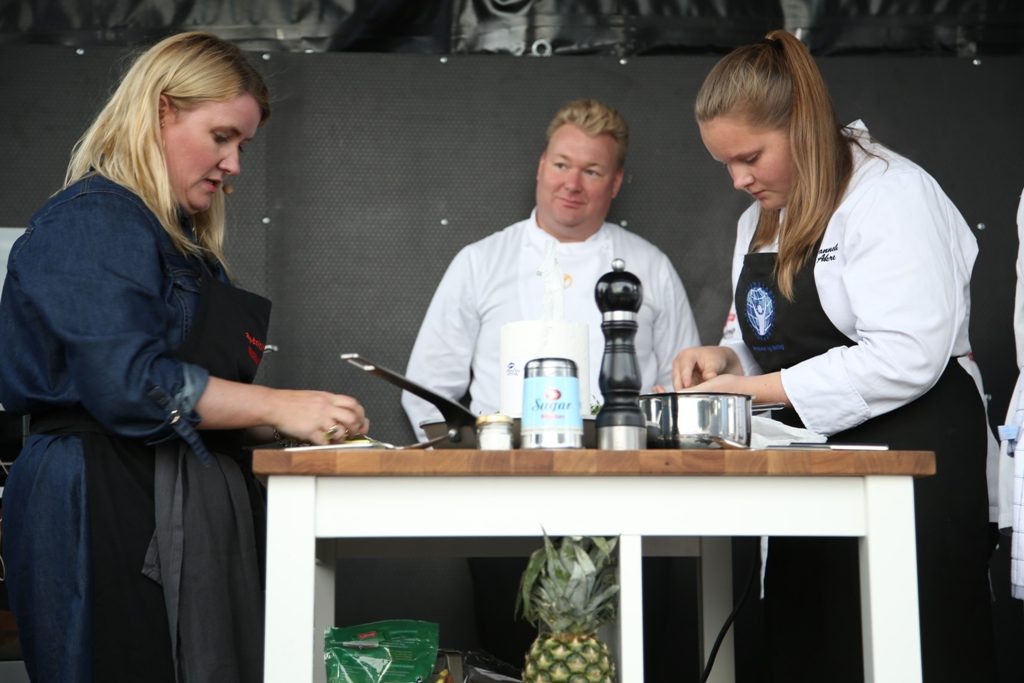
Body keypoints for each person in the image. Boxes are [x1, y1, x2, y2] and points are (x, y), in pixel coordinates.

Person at [0, 32, 368, 682]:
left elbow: (191, 399)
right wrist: (283, 403)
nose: (234, 165)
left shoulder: (180, 243)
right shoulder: (93, 221)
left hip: (157, 495)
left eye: (242, 146)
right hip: (100, 503)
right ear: (163, 110)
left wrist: (286, 425)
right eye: (222, 136)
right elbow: (132, 384)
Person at [673, 30, 994, 682]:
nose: (739, 179)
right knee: (813, 643)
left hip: (919, 455)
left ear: (804, 125)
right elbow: (757, 336)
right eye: (725, 164)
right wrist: (727, 360)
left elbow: (906, 354)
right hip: (815, 460)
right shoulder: (758, 219)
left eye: (751, 156)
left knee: (913, 648)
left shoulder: (890, 194)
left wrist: (752, 393)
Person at [402, 98, 700, 436]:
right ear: (541, 166)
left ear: (615, 183)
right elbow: (426, 393)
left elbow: (682, 390)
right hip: (500, 472)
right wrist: (464, 468)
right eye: (561, 165)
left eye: (591, 171)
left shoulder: (651, 267)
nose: (572, 184)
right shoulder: (480, 261)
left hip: (621, 471)